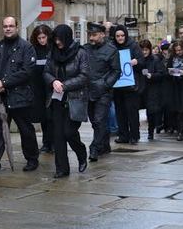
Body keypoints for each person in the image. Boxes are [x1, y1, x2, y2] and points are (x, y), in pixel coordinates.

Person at [0, 16, 39, 175]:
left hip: (19, 98)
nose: (8, 29)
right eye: (5, 26)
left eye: (11, 26)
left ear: (17, 27)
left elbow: (26, 71)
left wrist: (4, 82)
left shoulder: (26, 47)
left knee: (26, 131)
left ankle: (32, 158)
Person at [43, 24, 89, 177]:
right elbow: (46, 72)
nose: (57, 42)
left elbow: (84, 76)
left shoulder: (80, 53)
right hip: (56, 99)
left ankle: (81, 153)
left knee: (69, 132)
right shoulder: (52, 53)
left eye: (60, 39)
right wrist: (53, 81)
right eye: (55, 39)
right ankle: (61, 169)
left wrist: (65, 85)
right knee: (58, 135)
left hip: (74, 98)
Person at [83, 22, 121, 162]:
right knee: (95, 121)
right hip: (88, 91)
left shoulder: (111, 50)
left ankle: (95, 147)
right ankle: (104, 144)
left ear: (102, 35)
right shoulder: (85, 49)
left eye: (94, 35)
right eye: (90, 35)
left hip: (103, 92)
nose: (91, 38)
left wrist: (105, 84)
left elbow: (116, 71)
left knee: (99, 120)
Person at [112, 25, 145, 144]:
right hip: (117, 85)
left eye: (122, 36)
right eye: (117, 36)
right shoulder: (112, 47)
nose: (120, 38)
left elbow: (142, 61)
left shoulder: (133, 46)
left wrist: (136, 61)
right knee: (120, 112)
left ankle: (134, 135)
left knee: (132, 111)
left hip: (131, 85)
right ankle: (123, 135)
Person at [29, 25, 54, 154]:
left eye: (44, 37)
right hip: (38, 87)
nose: (42, 40)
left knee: (52, 116)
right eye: (39, 38)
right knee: (43, 116)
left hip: (51, 87)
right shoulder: (33, 50)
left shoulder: (52, 49)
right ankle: (46, 142)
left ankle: (53, 142)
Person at [140, 39, 167, 140]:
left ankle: (151, 131)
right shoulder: (138, 60)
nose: (144, 52)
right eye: (142, 50)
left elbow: (162, 73)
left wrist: (152, 75)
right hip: (142, 88)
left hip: (152, 88)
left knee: (151, 111)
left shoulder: (155, 60)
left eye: (146, 50)